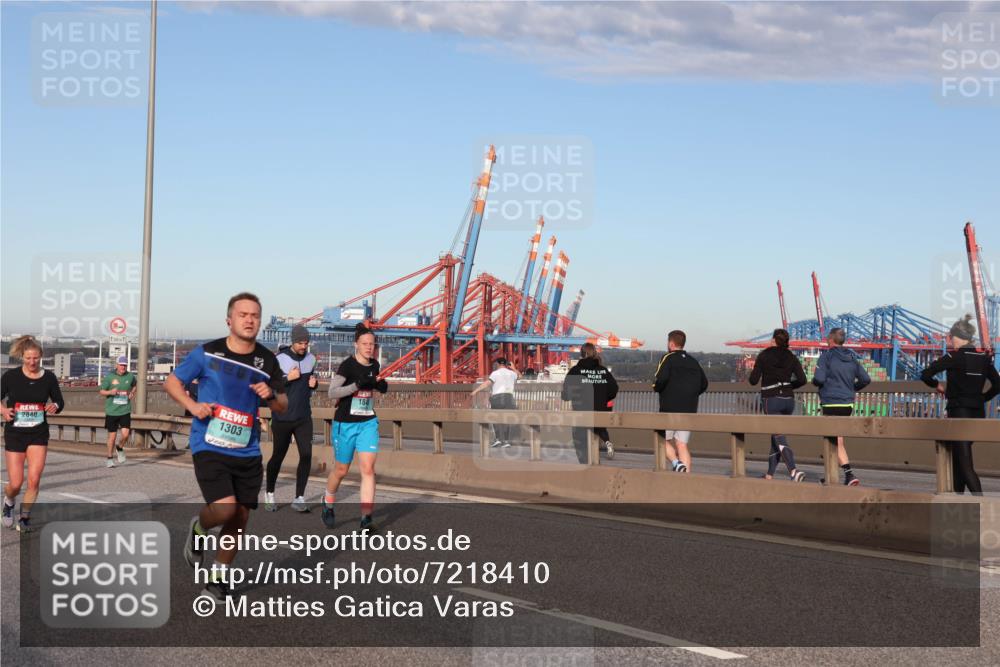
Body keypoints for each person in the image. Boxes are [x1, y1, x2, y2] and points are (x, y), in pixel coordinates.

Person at [165, 292, 287, 600]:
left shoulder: (267, 361)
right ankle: (198, 530)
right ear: (229, 320)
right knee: (225, 508)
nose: (249, 320)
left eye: (255, 315)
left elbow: (283, 405)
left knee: (240, 516)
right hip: (210, 443)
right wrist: (192, 407)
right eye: (243, 314)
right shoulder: (208, 353)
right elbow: (172, 382)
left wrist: (270, 395)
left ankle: (218, 576)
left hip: (247, 448)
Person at [920, 315, 1000, 495]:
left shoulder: (953, 357)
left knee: (964, 462)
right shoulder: (984, 359)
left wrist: (937, 386)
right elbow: (998, 385)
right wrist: (982, 398)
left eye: (951, 338)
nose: (951, 341)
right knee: (959, 459)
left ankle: (982, 505)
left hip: (959, 412)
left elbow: (926, 374)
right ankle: (958, 503)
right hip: (978, 413)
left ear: (959, 337)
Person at [323, 323, 389, 531]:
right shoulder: (347, 366)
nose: (369, 347)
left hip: (367, 422)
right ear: (356, 345)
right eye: (365, 344)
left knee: (368, 469)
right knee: (341, 470)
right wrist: (355, 386)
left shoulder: (375, 365)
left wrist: (379, 385)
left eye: (372, 344)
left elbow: (372, 386)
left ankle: (366, 518)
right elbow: (332, 393)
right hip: (346, 424)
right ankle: (328, 503)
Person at [1, 335, 65, 532]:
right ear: (22, 356)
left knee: (34, 479)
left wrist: (55, 405)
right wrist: (3, 410)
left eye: (36, 358)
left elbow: (59, 401)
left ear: (41, 356)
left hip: (38, 433)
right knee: (16, 482)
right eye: (28, 358)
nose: (32, 362)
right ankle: (9, 501)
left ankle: (25, 517)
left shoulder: (49, 377)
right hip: (15, 433)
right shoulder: (11, 377)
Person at [265, 325, 318, 512]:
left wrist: (314, 384)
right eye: (300, 343)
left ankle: (299, 497)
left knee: (306, 455)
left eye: (306, 342)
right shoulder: (279, 359)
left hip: (303, 416)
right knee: (278, 456)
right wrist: (288, 378)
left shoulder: (311, 359)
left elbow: (309, 385)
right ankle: (270, 493)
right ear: (292, 341)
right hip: (282, 417)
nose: (303, 346)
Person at [812, 328, 871, 486]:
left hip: (831, 401)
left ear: (830, 340)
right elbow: (865, 379)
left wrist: (816, 381)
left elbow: (818, 379)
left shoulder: (826, 356)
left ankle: (849, 474)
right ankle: (832, 475)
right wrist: (852, 389)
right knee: (837, 439)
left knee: (833, 440)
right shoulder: (851, 357)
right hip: (847, 403)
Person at [749, 328, 808, 482]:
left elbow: (753, 380)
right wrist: (788, 386)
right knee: (777, 435)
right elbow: (802, 380)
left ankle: (793, 471)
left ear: (774, 340)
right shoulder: (791, 356)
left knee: (778, 436)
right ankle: (769, 475)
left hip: (771, 399)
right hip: (788, 400)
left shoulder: (764, 355)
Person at [653, 330, 708, 473]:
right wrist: (690, 395)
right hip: (689, 409)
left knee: (661, 440)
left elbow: (660, 380)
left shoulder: (667, 358)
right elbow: (704, 383)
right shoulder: (693, 361)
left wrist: (657, 388)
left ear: (671, 343)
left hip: (669, 408)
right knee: (682, 444)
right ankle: (685, 479)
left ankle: (677, 463)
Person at [562, 343, 619, 462]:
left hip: (581, 414)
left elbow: (566, 394)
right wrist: (603, 397)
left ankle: (585, 468)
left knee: (581, 446)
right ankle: (594, 467)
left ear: (582, 354)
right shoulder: (603, 371)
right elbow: (614, 389)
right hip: (599, 412)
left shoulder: (575, 371)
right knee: (597, 436)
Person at [471, 358, 519, 447]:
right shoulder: (512, 373)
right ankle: (506, 441)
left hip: (497, 397)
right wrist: (513, 368)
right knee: (507, 419)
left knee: (495, 417)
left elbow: (487, 383)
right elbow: (519, 376)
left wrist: (475, 391)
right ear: (506, 364)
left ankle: (498, 439)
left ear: (497, 364)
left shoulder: (495, 373)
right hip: (509, 397)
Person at [98, 355, 135, 468]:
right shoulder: (109, 377)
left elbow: (134, 385)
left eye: (125, 365)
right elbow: (101, 391)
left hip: (125, 410)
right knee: (112, 437)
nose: (123, 367)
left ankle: (119, 448)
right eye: (121, 365)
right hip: (112, 411)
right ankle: (109, 458)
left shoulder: (130, 376)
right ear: (117, 365)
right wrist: (110, 392)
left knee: (125, 435)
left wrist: (132, 393)